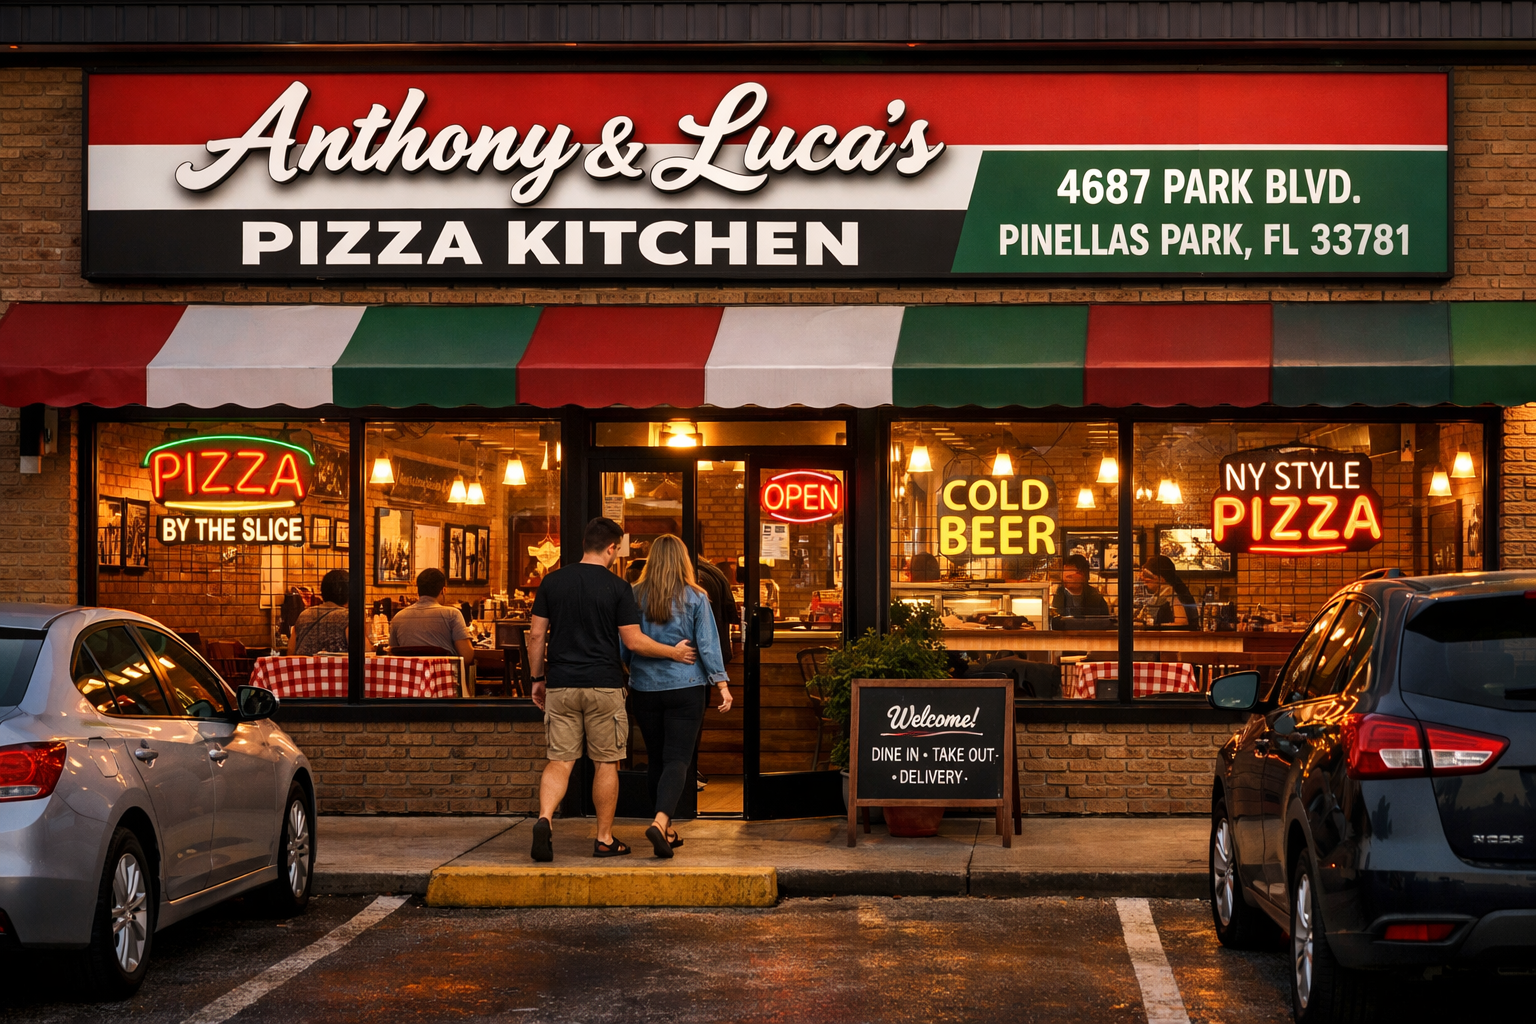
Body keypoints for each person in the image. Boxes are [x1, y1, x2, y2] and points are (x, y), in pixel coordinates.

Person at [526, 517, 697, 861]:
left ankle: (544, 819)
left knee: (560, 760)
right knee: (606, 763)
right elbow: (633, 642)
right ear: (610, 548)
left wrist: (537, 679)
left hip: (561, 684)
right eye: (617, 548)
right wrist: (673, 652)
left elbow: (535, 636)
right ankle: (604, 839)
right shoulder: (618, 587)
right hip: (603, 685)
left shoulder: (552, 582)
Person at [625, 535, 733, 858]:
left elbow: (625, 645)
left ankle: (667, 830)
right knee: (678, 759)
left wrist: (634, 671)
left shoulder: (634, 596)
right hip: (686, 688)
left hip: (644, 689)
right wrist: (722, 685)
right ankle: (660, 823)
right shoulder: (696, 597)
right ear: (684, 561)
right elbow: (709, 644)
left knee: (656, 758)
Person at [388, 568, 475, 661]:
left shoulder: (398, 618)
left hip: (410, 674)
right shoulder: (452, 615)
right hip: (444, 674)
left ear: (418, 590)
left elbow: (393, 654)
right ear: (443, 590)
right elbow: (466, 656)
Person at [291, 569, 349, 655]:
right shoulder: (348, 617)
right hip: (335, 667)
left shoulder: (304, 615)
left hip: (305, 667)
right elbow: (365, 652)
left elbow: (290, 651)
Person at [1141, 554, 1199, 629]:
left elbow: (1182, 623)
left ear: (1161, 579)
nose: (1145, 583)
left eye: (1148, 579)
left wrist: (1158, 628)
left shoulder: (1173, 594)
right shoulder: (1158, 596)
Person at [1051, 554, 1111, 619]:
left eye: (1069, 576)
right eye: (1064, 576)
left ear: (1083, 575)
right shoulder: (1059, 596)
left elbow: (1104, 623)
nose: (1065, 580)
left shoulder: (1097, 599)